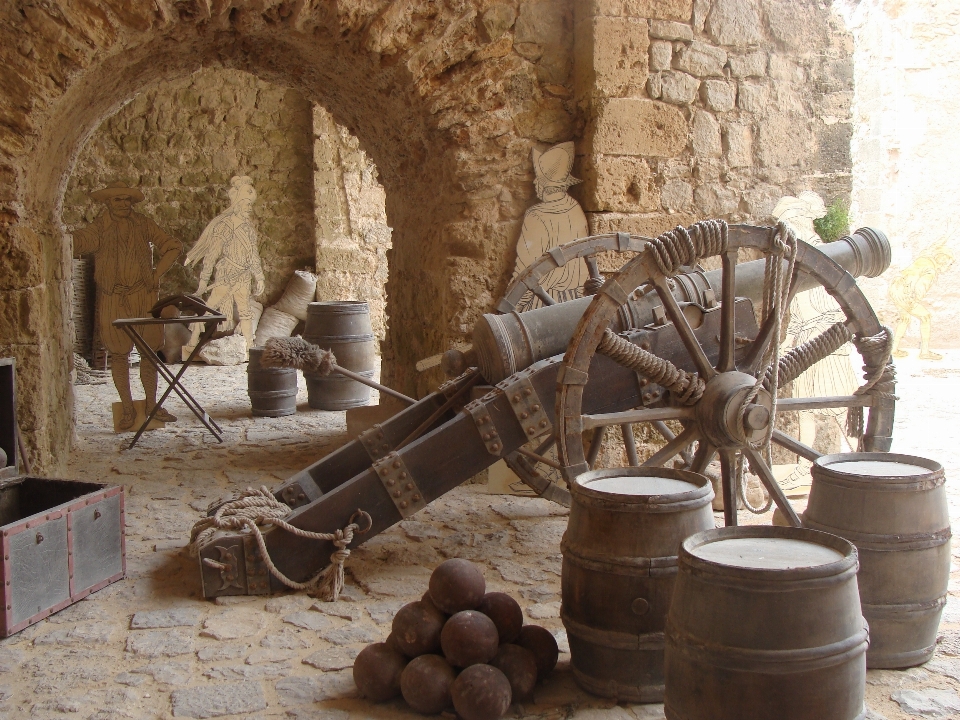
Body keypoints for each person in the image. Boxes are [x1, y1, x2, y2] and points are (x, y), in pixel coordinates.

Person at [73, 181, 183, 430]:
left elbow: (172, 245)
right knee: (119, 354)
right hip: (113, 297)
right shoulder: (100, 227)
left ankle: (153, 405)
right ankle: (127, 409)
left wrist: (156, 275)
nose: (123, 205)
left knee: (148, 353)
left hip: (143, 297)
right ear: (108, 203)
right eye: (117, 200)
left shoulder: (143, 223)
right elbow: (80, 242)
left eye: (126, 200)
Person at [185, 176, 265, 351]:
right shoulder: (225, 226)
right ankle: (192, 343)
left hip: (243, 276)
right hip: (227, 273)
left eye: (251, 205)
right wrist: (203, 282)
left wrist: (259, 277)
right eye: (247, 204)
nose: (250, 208)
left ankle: (249, 347)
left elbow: (253, 255)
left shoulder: (248, 228)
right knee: (211, 308)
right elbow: (212, 255)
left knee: (245, 311)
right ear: (237, 204)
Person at [512, 142, 589, 306]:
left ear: (542, 184)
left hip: (542, 302)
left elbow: (525, 270)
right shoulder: (576, 209)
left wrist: (512, 304)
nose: (534, 183)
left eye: (537, 179)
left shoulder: (536, 216)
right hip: (574, 300)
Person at [888, 240, 955, 360]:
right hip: (905, 292)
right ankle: (924, 352)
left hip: (896, 288)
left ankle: (893, 348)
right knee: (925, 317)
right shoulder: (931, 270)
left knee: (905, 318)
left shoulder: (925, 260)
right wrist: (914, 299)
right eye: (949, 262)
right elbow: (920, 286)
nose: (950, 266)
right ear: (943, 259)